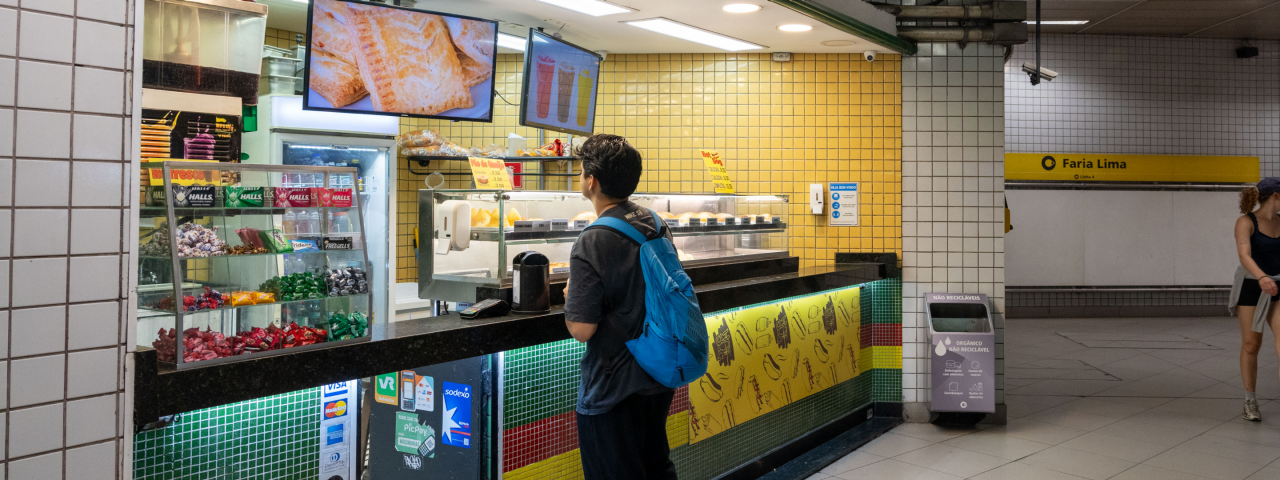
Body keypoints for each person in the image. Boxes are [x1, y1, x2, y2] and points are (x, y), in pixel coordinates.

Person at [563, 134, 678, 480]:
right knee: (656, 467)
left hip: (613, 387)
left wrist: (572, 294)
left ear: (591, 181)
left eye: (582, 171)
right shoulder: (655, 223)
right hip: (658, 373)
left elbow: (582, 329)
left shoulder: (593, 238)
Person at [1231, 177, 1280, 422]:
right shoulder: (1245, 222)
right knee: (1252, 345)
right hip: (1252, 286)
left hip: (1278, 286)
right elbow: (1244, 254)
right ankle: (1250, 399)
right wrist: (1262, 277)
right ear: (1275, 196)